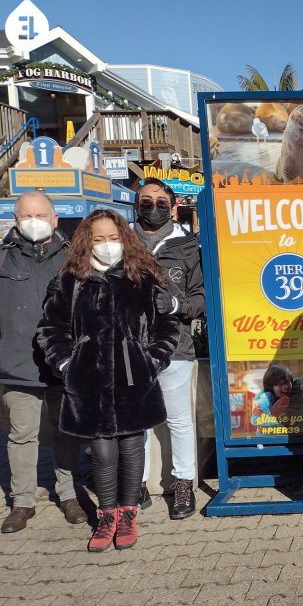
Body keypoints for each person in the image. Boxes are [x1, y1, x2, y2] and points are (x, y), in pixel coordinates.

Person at [37, 209, 179, 551]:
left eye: (114, 238)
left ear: (125, 239)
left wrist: (153, 359)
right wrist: (68, 363)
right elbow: (50, 328)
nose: (107, 245)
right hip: (89, 382)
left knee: (132, 447)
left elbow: (167, 326)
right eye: (99, 239)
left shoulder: (141, 277)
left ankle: (128, 513)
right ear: (87, 241)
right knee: (101, 451)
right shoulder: (70, 280)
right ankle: (106, 515)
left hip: (135, 380)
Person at [0, 191, 83, 533]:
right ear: (15, 221)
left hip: (65, 365)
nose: (33, 222)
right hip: (17, 366)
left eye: (40, 215)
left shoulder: (74, 257)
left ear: (54, 219)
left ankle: (68, 494)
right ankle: (23, 502)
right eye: (25, 216)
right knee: (22, 436)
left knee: (66, 433)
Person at [134, 178, 204, 520]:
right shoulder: (121, 241)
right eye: (146, 201)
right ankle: (137, 484)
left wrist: (175, 304)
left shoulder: (189, 245)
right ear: (136, 205)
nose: (154, 207)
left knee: (178, 419)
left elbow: (201, 298)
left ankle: (183, 483)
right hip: (128, 349)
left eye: (161, 202)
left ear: (173, 207)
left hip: (175, 346)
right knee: (136, 421)